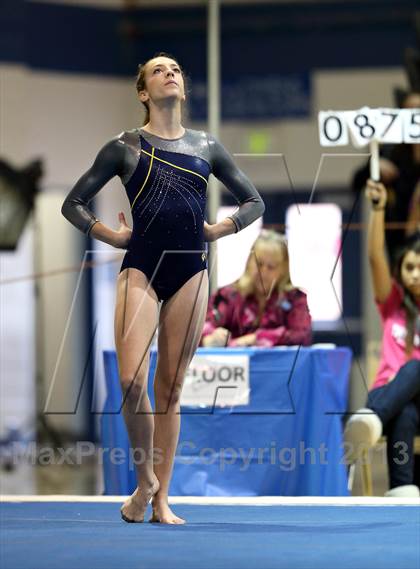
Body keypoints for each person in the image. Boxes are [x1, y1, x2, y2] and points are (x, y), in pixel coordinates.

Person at [61, 53, 265, 523]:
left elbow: (253, 201)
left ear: (183, 88)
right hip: (142, 267)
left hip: (191, 271)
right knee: (132, 380)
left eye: (175, 69)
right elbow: (72, 203)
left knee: (170, 389)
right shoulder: (124, 146)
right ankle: (143, 478)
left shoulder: (206, 146)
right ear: (142, 92)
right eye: (158, 70)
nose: (170, 73)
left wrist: (222, 228)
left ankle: (159, 499)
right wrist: (109, 235)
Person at [344, 179, 420, 497]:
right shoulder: (394, 306)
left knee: (416, 367)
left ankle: (370, 417)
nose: (415, 274)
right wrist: (378, 209)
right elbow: (376, 257)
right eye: (410, 267)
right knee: (404, 412)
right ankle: (402, 491)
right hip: (395, 402)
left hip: (383, 407)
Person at [201, 229, 311, 348]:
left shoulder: (295, 299)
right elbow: (200, 328)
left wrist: (255, 339)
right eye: (259, 264)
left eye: (271, 267)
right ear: (249, 262)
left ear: (283, 270)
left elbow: (301, 335)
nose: (263, 272)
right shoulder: (227, 295)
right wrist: (211, 337)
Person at [352, 92, 420, 264]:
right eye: (409, 111)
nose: (415, 116)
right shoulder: (391, 151)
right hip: (396, 241)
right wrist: (374, 164)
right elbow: (355, 182)